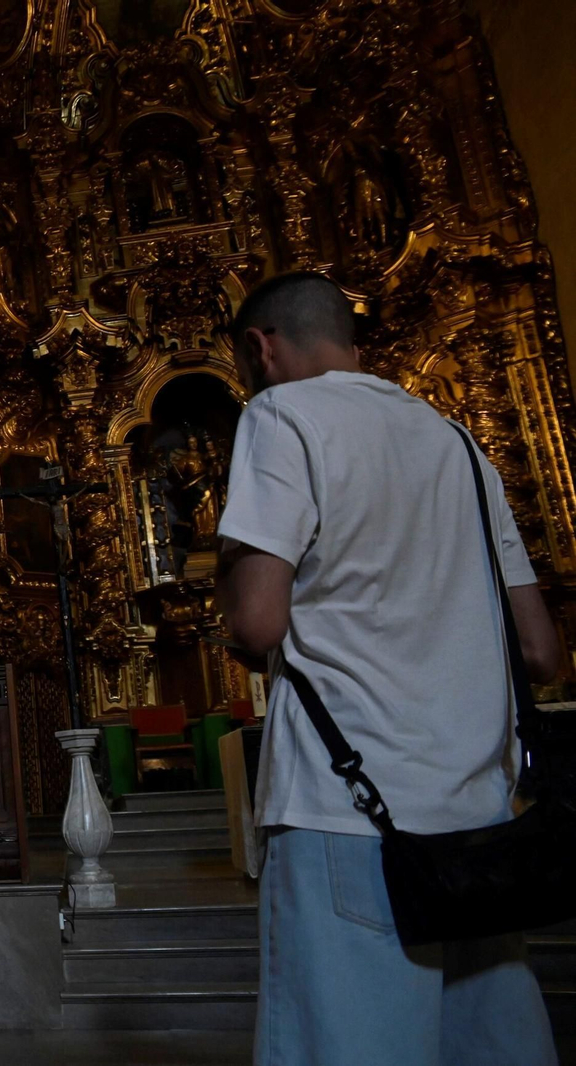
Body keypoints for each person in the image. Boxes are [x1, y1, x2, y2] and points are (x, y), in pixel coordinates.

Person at [216, 271, 563, 1066]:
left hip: (352, 815)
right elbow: (542, 653)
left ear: (259, 347)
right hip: (478, 821)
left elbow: (258, 621)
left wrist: (231, 572)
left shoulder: (282, 415)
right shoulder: (457, 441)